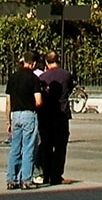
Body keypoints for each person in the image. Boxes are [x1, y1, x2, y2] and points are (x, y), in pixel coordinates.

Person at [5, 55, 46, 190]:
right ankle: (26, 179)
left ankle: (12, 179)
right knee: (28, 147)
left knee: (15, 147)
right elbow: (38, 100)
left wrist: (8, 121)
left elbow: (8, 101)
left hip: (15, 114)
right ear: (33, 63)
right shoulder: (34, 79)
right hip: (29, 114)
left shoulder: (13, 77)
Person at [38, 53, 76, 185]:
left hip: (46, 114)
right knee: (60, 146)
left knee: (46, 145)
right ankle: (57, 174)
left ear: (46, 63)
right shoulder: (66, 75)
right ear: (58, 61)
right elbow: (70, 89)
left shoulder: (42, 77)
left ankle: (46, 174)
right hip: (62, 114)